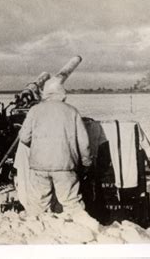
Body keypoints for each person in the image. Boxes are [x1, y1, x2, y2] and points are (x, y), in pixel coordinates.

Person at [19, 77, 91, 215]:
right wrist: (86, 161)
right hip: (65, 166)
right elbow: (84, 142)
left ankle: (37, 231)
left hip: (39, 166)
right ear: (62, 93)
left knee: (38, 206)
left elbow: (23, 137)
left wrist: (38, 148)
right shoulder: (72, 111)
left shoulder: (35, 110)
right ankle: (81, 231)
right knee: (71, 204)